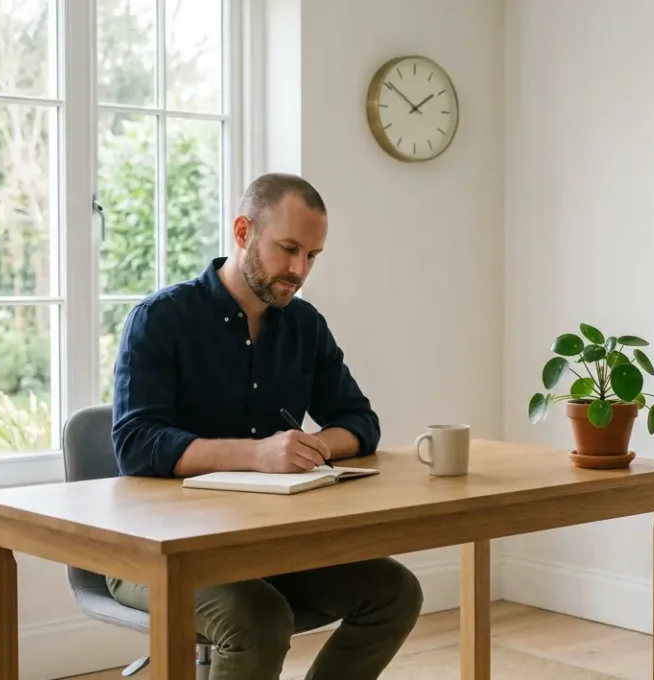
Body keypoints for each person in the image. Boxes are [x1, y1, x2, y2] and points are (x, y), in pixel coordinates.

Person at [107, 172, 423, 680]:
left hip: (267, 544)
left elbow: (360, 422)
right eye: (288, 249)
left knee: (396, 592)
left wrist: (312, 446)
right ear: (241, 232)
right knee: (257, 617)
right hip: (155, 553)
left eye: (313, 256)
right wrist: (257, 454)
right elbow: (136, 444)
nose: (299, 270)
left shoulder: (304, 326)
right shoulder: (161, 319)